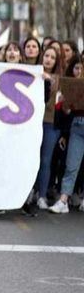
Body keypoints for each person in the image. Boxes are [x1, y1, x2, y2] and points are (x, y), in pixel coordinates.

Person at [50, 55, 84, 213]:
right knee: (71, 165)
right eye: (79, 66)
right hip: (77, 124)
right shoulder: (74, 83)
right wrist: (65, 102)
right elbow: (67, 110)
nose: (80, 69)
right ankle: (63, 200)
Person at [35, 46, 64, 210]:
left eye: (53, 58)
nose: (48, 60)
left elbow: (61, 106)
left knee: (45, 160)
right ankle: (29, 192)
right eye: (46, 55)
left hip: (51, 124)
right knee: (31, 158)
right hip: (32, 122)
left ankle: (42, 196)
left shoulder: (59, 80)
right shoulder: (33, 74)